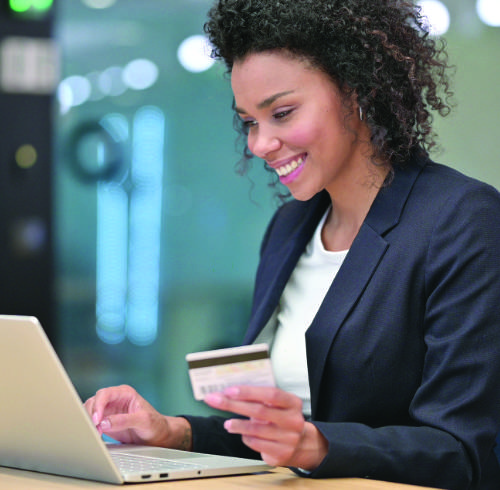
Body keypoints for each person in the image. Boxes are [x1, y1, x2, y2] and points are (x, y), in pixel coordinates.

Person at [84, 1, 500, 488]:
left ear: (357, 90)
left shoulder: (462, 220)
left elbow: (463, 452)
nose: (260, 144)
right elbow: (281, 436)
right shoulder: (291, 227)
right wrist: (171, 431)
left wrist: (317, 446)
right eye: (250, 122)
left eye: (281, 113)